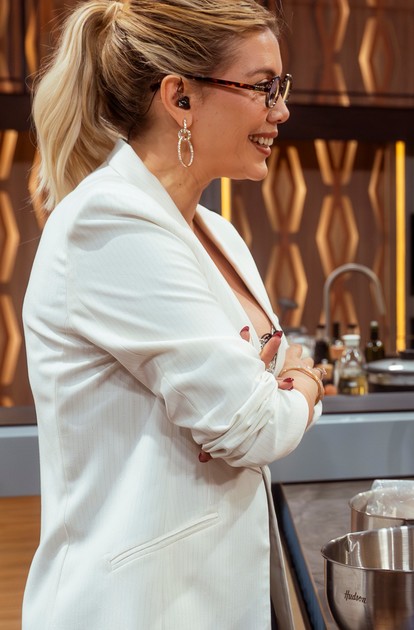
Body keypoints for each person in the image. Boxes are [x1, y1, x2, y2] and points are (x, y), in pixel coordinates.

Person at [22, 1, 321, 628]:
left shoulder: (218, 233)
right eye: (263, 86)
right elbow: (253, 427)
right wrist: (306, 380)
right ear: (179, 97)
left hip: (217, 587)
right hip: (137, 603)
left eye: (281, 87)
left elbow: (250, 409)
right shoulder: (109, 223)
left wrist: (275, 391)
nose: (281, 110)